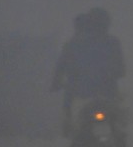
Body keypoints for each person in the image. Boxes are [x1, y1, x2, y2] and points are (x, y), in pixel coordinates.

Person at [51, 8, 125, 138]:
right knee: (119, 112)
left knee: (69, 106)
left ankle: (68, 123)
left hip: (82, 91)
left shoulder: (74, 43)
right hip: (105, 91)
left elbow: (61, 66)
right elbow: (121, 69)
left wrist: (56, 82)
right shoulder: (113, 42)